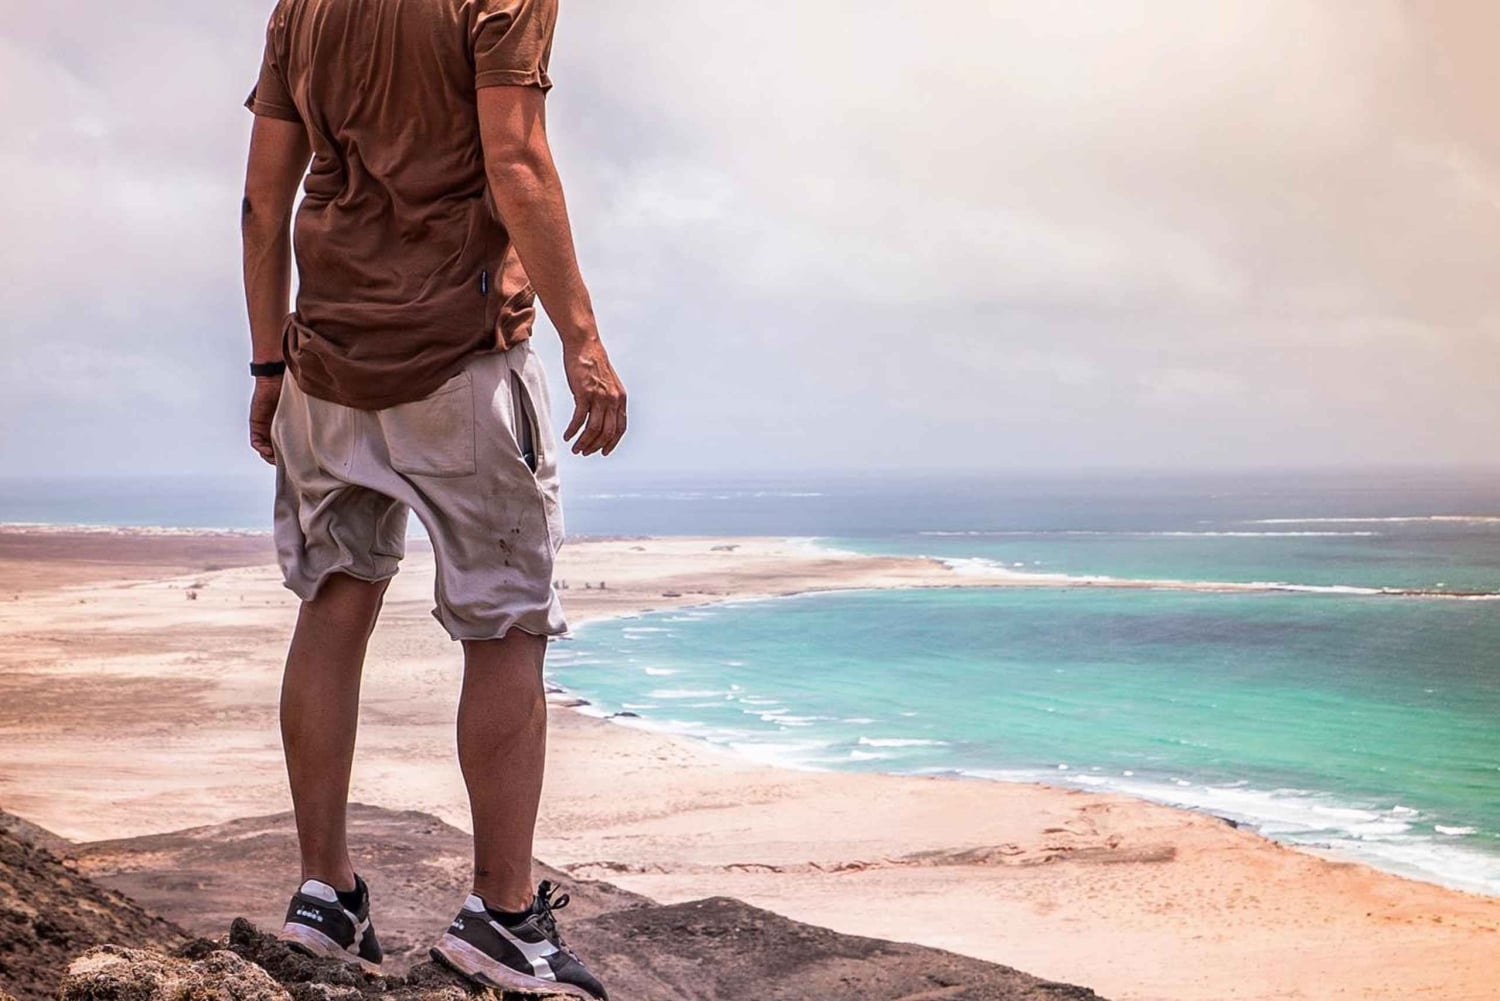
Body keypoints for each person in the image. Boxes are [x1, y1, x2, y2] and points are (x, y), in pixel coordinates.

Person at [239, 1, 624, 996]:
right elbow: (519, 159)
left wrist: (268, 363)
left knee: (332, 607)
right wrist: (583, 338)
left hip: (324, 365)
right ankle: (501, 915)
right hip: (460, 365)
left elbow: (261, 198)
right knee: (505, 627)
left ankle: (323, 893)